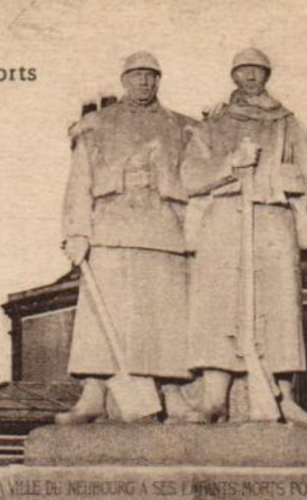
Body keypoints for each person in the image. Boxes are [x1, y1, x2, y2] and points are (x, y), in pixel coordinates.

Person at [180, 47, 307, 425]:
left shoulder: (287, 123)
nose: (251, 78)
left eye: (258, 71)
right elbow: (190, 176)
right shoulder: (213, 124)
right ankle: (214, 397)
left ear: (267, 76)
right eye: (244, 71)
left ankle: (283, 398)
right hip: (223, 220)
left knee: (280, 306)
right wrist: (229, 165)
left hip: (273, 220)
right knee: (219, 306)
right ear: (233, 76)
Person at [56, 52, 201, 424]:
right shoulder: (96, 125)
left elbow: (199, 183)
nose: (145, 83)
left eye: (152, 76)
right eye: (137, 76)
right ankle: (93, 392)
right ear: (124, 80)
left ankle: (172, 393)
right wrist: (76, 232)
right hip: (112, 227)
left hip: (164, 227)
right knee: (104, 312)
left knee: (166, 313)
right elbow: (79, 183)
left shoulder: (183, 127)